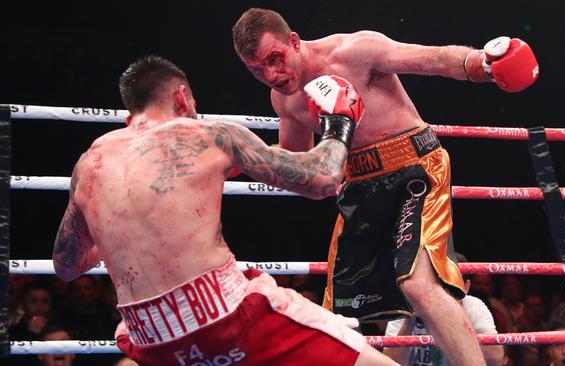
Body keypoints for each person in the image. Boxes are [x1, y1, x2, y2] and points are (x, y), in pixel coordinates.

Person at [233, 8, 538, 365]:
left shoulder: (353, 52)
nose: (272, 74)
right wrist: (230, 160)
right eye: (257, 70)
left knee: (418, 284)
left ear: (294, 42)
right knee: (338, 307)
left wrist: (483, 64)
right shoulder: (283, 99)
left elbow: (435, 59)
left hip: (414, 168)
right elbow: (294, 164)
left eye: (275, 58)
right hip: (358, 187)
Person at [52, 55, 397, 366]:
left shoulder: (91, 162)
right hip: (225, 319)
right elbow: (321, 180)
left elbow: (66, 265)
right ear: (181, 97)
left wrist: (120, 231)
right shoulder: (207, 134)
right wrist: (339, 123)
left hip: (151, 340)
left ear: (129, 117)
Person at [383, 253, 504, 366]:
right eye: (440, 281)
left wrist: (457, 318)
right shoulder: (408, 304)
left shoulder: (473, 306)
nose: (445, 289)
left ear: (466, 287)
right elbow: (389, 363)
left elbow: (496, 358)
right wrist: (409, 324)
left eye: (452, 283)